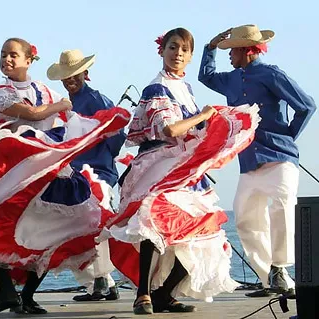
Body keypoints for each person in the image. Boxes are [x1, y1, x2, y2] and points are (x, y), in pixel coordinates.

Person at [0, 38, 130, 315]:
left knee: (46, 232)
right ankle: (7, 291)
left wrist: (102, 124)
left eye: (13, 55)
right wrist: (60, 107)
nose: (7, 59)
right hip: (9, 168)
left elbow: (70, 122)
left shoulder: (45, 90)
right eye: (3, 54)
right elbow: (31, 114)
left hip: (44, 169)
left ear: (28, 60)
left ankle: (27, 296)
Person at [102, 27, 258, 315]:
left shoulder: (184, 88)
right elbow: (169, 129)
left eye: (184, 50)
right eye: (173, 48)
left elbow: (192, 128)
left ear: (190, 57)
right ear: (161, 51)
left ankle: (162, 294)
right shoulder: (156, 87)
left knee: (202, 235)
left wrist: (214, 126)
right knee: (152, 218)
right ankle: (143, 294)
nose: (178, 54)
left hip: (183, 167)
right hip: (158, 162)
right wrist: (205, 116)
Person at [198, 24, 316, 297]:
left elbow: (306, 105)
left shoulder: (271, 74)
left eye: (232, 50)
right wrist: (210, 48)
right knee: (245, 219)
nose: (229, 55)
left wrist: (287, 136)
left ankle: (281, 268)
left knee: (282, 209)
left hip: (280, 159)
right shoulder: (232, 78)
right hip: (249, 163)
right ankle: (270, 279)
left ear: (245, 50)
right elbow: (207, 76)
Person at [47, 49, 125, 302]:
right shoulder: (65, 104)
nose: (70, 79)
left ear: (85, 74)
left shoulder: (96, 99)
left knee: (95, 223)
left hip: (98, 172)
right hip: (77, 173)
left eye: (75, 74)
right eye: (66, 75)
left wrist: (104, 157)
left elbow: (118, 132)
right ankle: (101, 283)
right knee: (76, 227)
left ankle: (101, 280)